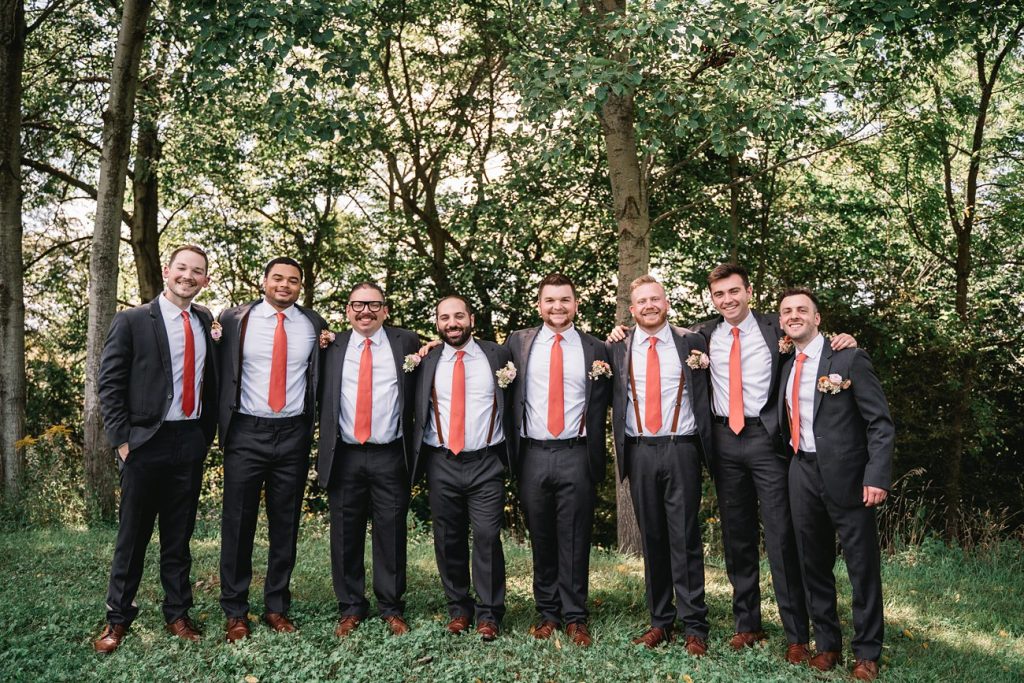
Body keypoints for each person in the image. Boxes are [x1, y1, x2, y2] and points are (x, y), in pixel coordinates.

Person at [93, 245, 218, 653]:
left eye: (197, 271)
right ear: (167, 271)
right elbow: (109, 383)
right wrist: (123, 441)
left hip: (189, 441)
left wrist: (205, 435)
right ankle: (117, 619)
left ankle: (178, 613)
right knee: (133, 536)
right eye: (181, 268)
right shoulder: (132, 320)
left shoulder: (204, 321)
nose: (188, 276)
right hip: (145, 442)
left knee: (178, 537)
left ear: (205, 279)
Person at [777, 287, 893, 681]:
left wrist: (876, 476)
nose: (794, 316)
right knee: (813, 564)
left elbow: (880, 423)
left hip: (849, 478)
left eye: (802, 310)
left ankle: (867, 653)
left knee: (862, 567)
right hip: (801, 473)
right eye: (787, 311)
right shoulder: (785, 363)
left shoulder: (849, 358)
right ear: (781, 321)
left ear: (817, 318)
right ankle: (826, 645)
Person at [216, 257, 327, 642]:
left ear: (300, 287)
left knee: (286, 525)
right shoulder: (233, 320)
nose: (284, 285)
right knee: (238, 523)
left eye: (293, 281)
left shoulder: (314, 325)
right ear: (263, 281)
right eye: (277, 278)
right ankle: (235, 611)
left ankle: (277, 607)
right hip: (246, 431)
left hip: (293, 434)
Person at [608, 275, 712, 656]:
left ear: (666, 303)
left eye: (655, 299)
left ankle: (695, 626)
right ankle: (660, 622)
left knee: (684, 537)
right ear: (631, 309)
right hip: (638, 450)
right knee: (652, 538)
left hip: (681, 447)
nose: (649, 306)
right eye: (642, 301)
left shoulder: (691, 341)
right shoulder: (617, 347)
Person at [506, 273, 612, 647]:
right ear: (539, 305)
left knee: (575, 536)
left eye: (564, 300)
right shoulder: (518, 343)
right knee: (543, 536)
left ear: (576, 304)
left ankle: (575, 616)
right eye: (550, 300)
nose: (557, 307)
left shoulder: (597, 349)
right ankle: (547, 612)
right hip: (532, 453)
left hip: (576, 452)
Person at [316, 282, 420, 637]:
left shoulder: (406, 343)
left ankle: (391, 607)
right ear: (347, 310)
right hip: (343, 454)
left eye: (374, 305)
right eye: (358, 305)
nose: (366, 311)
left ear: (386, 311)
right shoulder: (331, 346)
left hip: (390, 454)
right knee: (345, 533)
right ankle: (351, 607)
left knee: (391, 533)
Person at [410, 295, 512, 641]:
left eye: (458, 316)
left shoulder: (498, 355)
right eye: (444, 318)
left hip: (486, 461)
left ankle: (489, 613)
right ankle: (459, 609)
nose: (452, 323)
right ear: (437, 323)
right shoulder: (427, 359)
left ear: (471, 318)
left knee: (486, 535)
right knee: (448, 537)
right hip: (442, 460)